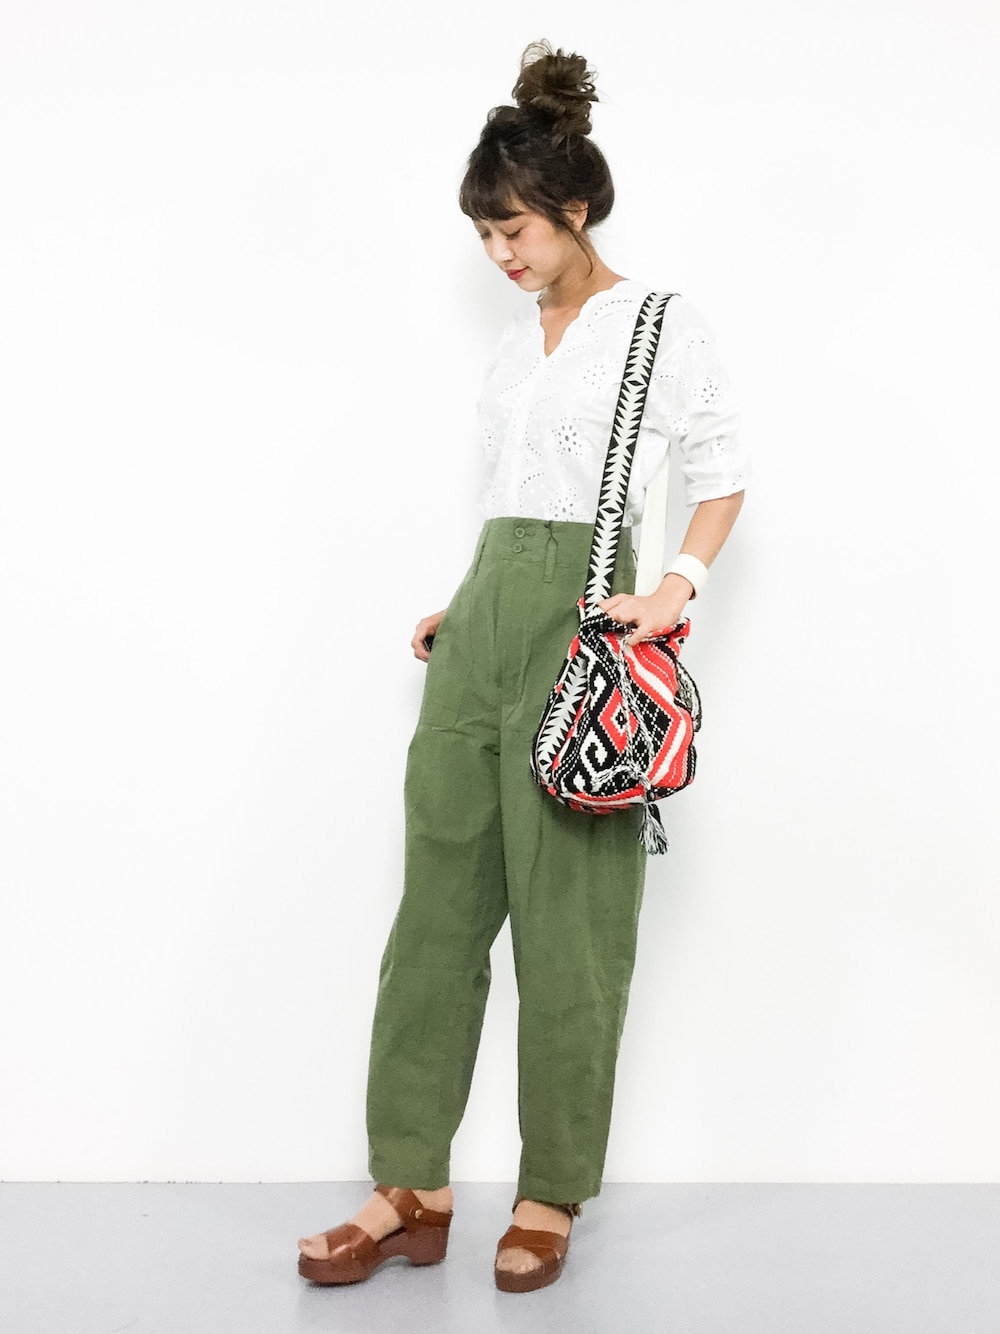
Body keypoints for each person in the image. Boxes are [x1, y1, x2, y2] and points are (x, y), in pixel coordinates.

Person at [297, 38, 749, 1295]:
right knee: (434, 916)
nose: (499, 253)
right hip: (484, 627)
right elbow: (515, 495)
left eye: (514, 230)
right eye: (484, 235)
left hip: (586, 639)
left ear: (575, 208)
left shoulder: (656, 325)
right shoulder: (513, 344)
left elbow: (721, 474)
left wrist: (673, 589)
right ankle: (411, 1183)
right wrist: (466, 603)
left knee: (571, 931)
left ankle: (550, 1189)